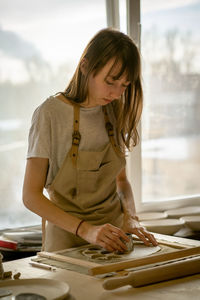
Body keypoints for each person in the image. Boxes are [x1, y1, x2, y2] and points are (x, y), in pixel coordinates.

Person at [23, 28, 158, 252]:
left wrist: (131, 218)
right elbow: (30, 196)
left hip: (113, 236)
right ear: (85, 66)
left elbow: (121, 181)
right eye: (110, 81)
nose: (116, 93)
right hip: (66, 238)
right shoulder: (49, 114)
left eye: (124, 85)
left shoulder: (114, 110)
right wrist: (87, 230)